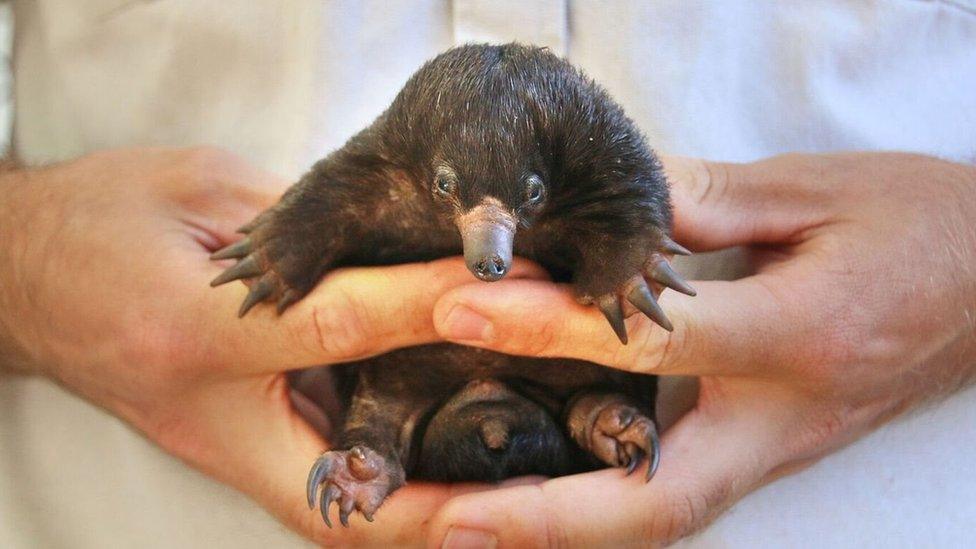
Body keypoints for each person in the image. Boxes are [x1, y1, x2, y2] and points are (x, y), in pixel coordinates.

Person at [2, 1, 974, 547]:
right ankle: (377, 448)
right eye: (458, 196)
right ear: (418, 165)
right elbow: (330, 200)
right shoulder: (380, 167)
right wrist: (25, 268)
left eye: (522, 199)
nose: (489, 249)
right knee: (380, 403)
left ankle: (594, 418)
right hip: (138, 511)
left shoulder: (603, 166)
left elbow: (632, 203)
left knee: (595, 374)